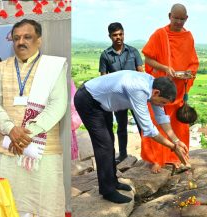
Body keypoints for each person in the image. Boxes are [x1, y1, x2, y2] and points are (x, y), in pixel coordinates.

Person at [0, 19, 67, 217]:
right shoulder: (1, 69)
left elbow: (58, 104)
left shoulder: (53, 67)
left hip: (44, 150)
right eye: (16, 38)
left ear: (39, 40)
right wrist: (11, 129)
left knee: (46, 204)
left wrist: (27, 133)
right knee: (13, 203)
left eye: (27, 37)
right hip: (9, 148)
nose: (21, 42)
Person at [74, 70, 189, 204]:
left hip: (101, 103)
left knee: (109, 141)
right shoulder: (139, 90)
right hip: (88, 100)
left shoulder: (153, 86)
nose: (161, 105)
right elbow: (149, 130)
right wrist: (173, 147)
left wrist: (177, 141)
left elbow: (161, 117)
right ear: (156, 93)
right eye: (162, 102)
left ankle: (112, 181)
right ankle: (107, 190)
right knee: (104, 145)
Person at [141, 3, 199, 173]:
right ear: (169, 16)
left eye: (182, 19)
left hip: (180, 91)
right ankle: (156, 159)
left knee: (179, 125)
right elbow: (148, 61)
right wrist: (165, 68)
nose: (179, 22)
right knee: (157, 123)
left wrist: (189, 73)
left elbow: (193, 62)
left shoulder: (188, 37)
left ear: (186, 18)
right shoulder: (160, 34)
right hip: (160, 90)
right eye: (176, 18)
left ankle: (178, 157)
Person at [99, 22, 144, 163]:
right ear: (110, 36)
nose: (118, 37)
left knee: (142, 124)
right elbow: (104, 78)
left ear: (123, 34)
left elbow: (141, 72)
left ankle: (148, 154)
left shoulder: (133, 51)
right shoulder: (105, 55)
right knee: (121, 126)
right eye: (115, 35)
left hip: (135, 95)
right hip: (118, 97)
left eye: (120, 34)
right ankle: (123, 154)